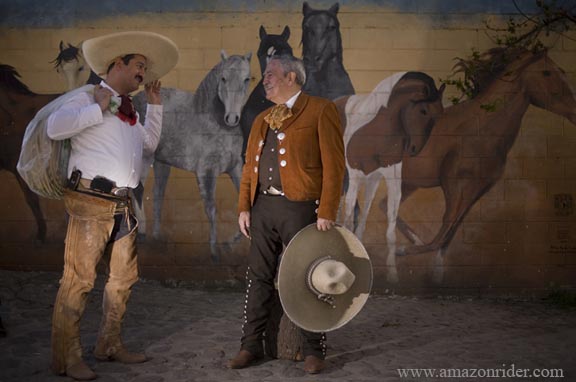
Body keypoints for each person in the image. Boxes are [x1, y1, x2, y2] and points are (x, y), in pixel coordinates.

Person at [45, 31, 178, 380]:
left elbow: (148, 144)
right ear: (117, 63)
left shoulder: (130, 111)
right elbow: (54, 127)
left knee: (123, 278)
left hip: (122, 205)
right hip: (90, 202)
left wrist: (156, 104)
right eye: (138, 65)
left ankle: (109, 344)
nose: (142, 73)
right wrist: (96, 108)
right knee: (79, 281)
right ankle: (66, 356)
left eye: (145, 69)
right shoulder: (87, 96)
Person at [229, 54, 345, 374]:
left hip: (301, 207)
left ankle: (313, 349)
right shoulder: (261, 118)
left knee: (307, 276)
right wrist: (243, 206)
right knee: (259, 277)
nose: (264, 79)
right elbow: (249, 169)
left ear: (291, 77)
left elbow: (334, 167)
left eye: (270, 74)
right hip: (263, 208)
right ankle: (249, 345)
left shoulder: (321, 110)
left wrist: (327, 210)